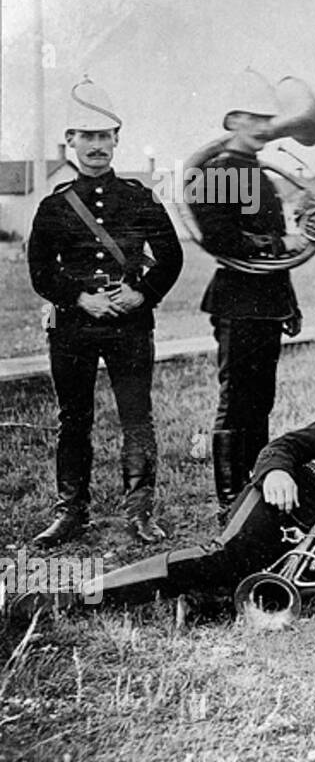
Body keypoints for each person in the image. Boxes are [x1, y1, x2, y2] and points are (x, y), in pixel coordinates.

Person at [15, 338, 315, 617]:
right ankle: (76, 593)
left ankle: (208, 601)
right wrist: (275, 472)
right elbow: (287, 445)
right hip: (286, 502)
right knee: (225, 557)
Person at [26, 77, 184, 546]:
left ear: (117, 139)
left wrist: (142, 294)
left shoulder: (140, 197)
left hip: (130, 324)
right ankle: (70, 512)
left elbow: (172, 256)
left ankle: (139, 513)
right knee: (74, 419)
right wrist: (78, 297)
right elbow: (39, 272)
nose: (96, 146)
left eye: (104, 136)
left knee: (137, 416)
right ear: (70, 142)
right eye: (86, 136)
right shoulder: (53, 207)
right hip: (73, 326)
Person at [187, 68, 304, 516]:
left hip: (266, 302)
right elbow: (220, 237)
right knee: (237, 404)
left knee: (260, 400)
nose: (264, 127)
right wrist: (280, 243)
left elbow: (271, 247)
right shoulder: (225, 171)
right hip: (237, 300)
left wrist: (287, 302)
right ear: (232, 121)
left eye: (266, 119)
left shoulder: (256, 171)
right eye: (253, 118)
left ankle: (252, 490)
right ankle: (230, 500)